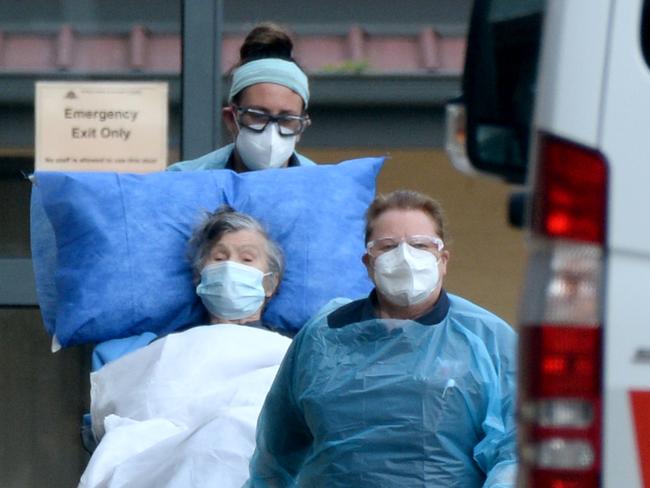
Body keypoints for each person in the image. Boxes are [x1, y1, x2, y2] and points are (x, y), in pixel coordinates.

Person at [246, 190, 518, 487]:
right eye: (388, 246)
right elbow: (275, 453)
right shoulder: (323, 337)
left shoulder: (486, 339)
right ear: (368, 262)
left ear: (443, 260)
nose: (405, 257)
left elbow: (515, 451)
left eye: (420, 245)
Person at [79, 206, 292, 488]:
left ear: (270, 283)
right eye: (219, 257)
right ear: (199, 278)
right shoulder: (163, 350)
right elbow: (133, 412)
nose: (231, 266)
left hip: (246, 451)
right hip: (167, 460)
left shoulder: (293, 351)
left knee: (230, 427)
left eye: (247, 258)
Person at [168, 22, 315, 173]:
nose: (272, 134)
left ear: (301, 127)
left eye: (287, 119)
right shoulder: (184, 181)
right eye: (258, 116)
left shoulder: (323, 190)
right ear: (231, 118)